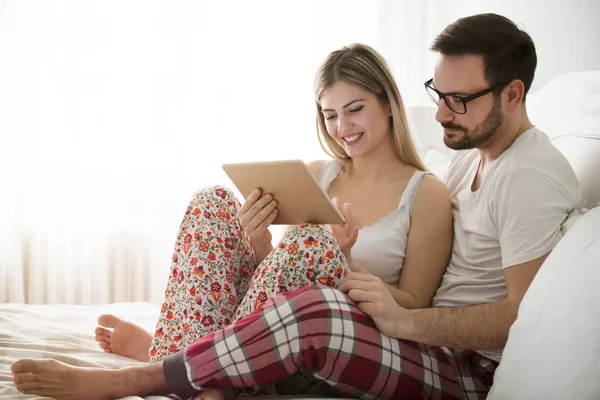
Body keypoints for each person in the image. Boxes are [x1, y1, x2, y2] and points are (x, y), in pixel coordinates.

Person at [11, 12, 580, 400]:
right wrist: (260, 247)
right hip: (325, 312)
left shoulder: (506, 177)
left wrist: (359, 276)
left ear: (512, 93)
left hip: (437, 352)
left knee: (312, 243)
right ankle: (187, 357)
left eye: (458, 100)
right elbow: (282, 282)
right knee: (214, 203)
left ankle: (159, 368)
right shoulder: (465, 156)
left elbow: (511, 314)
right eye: (437, 95)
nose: (440, 114)